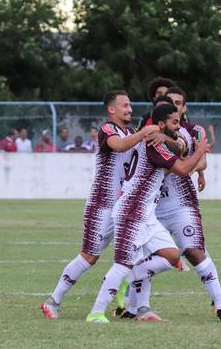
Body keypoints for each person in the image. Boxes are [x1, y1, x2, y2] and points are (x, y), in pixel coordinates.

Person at [85, 103, 211, 324]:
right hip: (132, 209)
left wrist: (190, 151)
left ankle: (128, 277)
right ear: (161, 124)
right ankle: (96, 312)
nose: (179, 125)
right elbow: (182, 169)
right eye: (174, 122)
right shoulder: (154, 144)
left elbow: (179, 150)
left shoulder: (158, 141)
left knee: (172, 255)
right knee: (123, 262)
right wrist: (200, 151)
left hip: (147, 213)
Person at [116, 86, 221, 323]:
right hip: (153, 206)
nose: (175, 107)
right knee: (146, 256)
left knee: (194, 251)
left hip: (181, 204)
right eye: (170, 104)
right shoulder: (148, 131)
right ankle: (139, 308)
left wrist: (173, 142)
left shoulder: (190, 130)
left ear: (184, 108)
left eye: (179, 103)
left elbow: (189, 153)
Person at [41, 90, 160, 319]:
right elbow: (120, 146)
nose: (130, 109)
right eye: (125, 106)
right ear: (111, 109)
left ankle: (136, 307)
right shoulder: (108, 130)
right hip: (102, 206)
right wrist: (144, 132)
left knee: (139, 254)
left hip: (126, 207)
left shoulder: (132, 132)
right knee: (89, 257)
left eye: (130, 105)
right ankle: (53, 301)